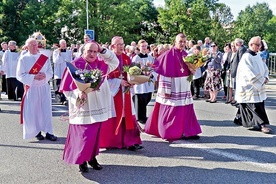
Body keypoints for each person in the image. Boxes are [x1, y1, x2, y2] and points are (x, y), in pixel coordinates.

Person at [59, 42, 119, 172]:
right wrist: (78, 94)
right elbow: (66, 89)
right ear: (83, 51)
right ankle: (82, 161)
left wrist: (103, 50)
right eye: (89, 51)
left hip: (98, 104)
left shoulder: (101, 64)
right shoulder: (75, 65)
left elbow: (115, 62)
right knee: (83, 134)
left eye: (95, 52)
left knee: (95, 133)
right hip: (83, 105)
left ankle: (92, 158)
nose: (92, 54)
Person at [144, 33, 202, 141]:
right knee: (172, 108)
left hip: (184, 86)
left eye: (184, 42)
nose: (183, 44)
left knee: (186, 108)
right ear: (175, 42)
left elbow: (192, 71)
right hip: (172, 86)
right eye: (180, 41)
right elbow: (158, 67)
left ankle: (187, 131)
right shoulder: (167, 55)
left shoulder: (187, 55)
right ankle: (169, 131)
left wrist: (193, 70)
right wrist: (148, 76)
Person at [99, 36, 143, 151]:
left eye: (122, 44)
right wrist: (119, 82)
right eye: (118, 44)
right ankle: (113, 141)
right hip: (113, 94)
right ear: (112, 46)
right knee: (115, 115)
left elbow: (131, 75)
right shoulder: (107, 60)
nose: (121, 46)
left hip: (126, 93)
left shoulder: (127, 58)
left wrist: (133, 81)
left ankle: (131, 141)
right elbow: (103, 79)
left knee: (128, 115)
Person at [16, 38, 57, 141]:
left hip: (44, 87)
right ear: (27, 46)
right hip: (32, 88)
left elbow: (50, 72)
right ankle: (36, 131)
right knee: (34, 111)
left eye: (36, 45)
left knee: (46, 111)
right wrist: (33, 77)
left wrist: (45, 75)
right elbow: (19, 75)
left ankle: (49, 132)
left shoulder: (44, 58)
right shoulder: (23, 59)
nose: (35, 47)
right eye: (32, 45)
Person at [233, 36, 271, 134]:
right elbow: (249, 72)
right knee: (254, 106)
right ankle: (261, 124)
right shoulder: (246, 57)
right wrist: (261, 80)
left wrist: (266, 77)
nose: (259, 47)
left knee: (253, 104)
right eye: (257, 45)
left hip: (258, 85)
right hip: (249, 87)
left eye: (260, 45)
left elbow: (264, 68)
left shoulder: (257, 55)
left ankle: (239, 118)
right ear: (251, 45)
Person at [132, 39, 156, 124]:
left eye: (146, 46)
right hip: (140, 83)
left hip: (148, 82)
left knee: (147, 98)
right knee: (140, 100)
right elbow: (133, 71)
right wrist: (141, 71)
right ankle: (140, 117)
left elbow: (154, 68)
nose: (144, 48)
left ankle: (142, 116)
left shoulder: (150, 57)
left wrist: (151, 74)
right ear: (139, 47)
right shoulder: (136, 58)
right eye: (142, 46)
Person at [52, 39, 72, 105]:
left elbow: (69, 61)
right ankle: (61, 99)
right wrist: (59, 54)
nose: (64, 45)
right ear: (60, 44)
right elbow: (56, 61)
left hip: (66, 71)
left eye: (65, 43)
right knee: (58, 86)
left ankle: (64, 99)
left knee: (65, 86)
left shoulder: (69, 52)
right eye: (63, 43)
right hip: (58, 72)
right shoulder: (56, 52)